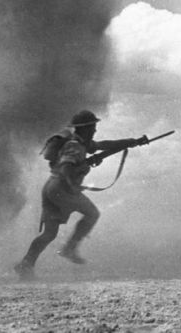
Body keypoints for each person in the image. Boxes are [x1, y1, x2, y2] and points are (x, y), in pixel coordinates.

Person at [14, 110, 147, 280]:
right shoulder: (75, 146)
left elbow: (104, 145)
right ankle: (70, 248)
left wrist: (132, 142)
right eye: (92, 127)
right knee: (92, 214)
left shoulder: (80, 143)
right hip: (62, 188)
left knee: (49, 234)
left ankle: (26, 264)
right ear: (84, 129)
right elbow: (66, 167)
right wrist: (74, 184)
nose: (95, 131)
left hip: (51, 187)